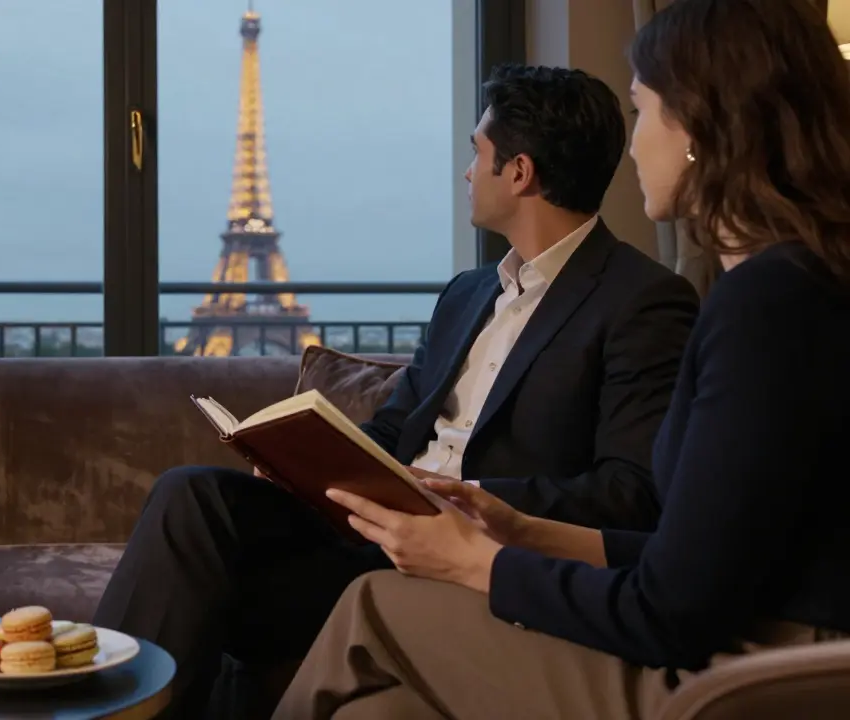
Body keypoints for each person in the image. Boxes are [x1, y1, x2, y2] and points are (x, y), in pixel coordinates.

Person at [274, 1, 850, 718]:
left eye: (642, 111)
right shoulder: (789, 287)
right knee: (378, 713)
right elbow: (704, 562)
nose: (633, 147)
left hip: (762, 674)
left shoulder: (767, 305)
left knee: (376, 601)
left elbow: (671, 611)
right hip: (748, 637)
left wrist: (475, 561)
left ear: (699, 124)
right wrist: (522, 530)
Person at [93, 64, 700, 718]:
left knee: (224, 593)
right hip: (370, 535)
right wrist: (300, 463)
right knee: (192, 495)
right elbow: (391, 431)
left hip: (467, 560)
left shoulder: (641, 301)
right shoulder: (468, 294)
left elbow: (631, 490)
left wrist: (475, 501)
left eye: (479, 154)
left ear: (519, 173)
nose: (468, 171)